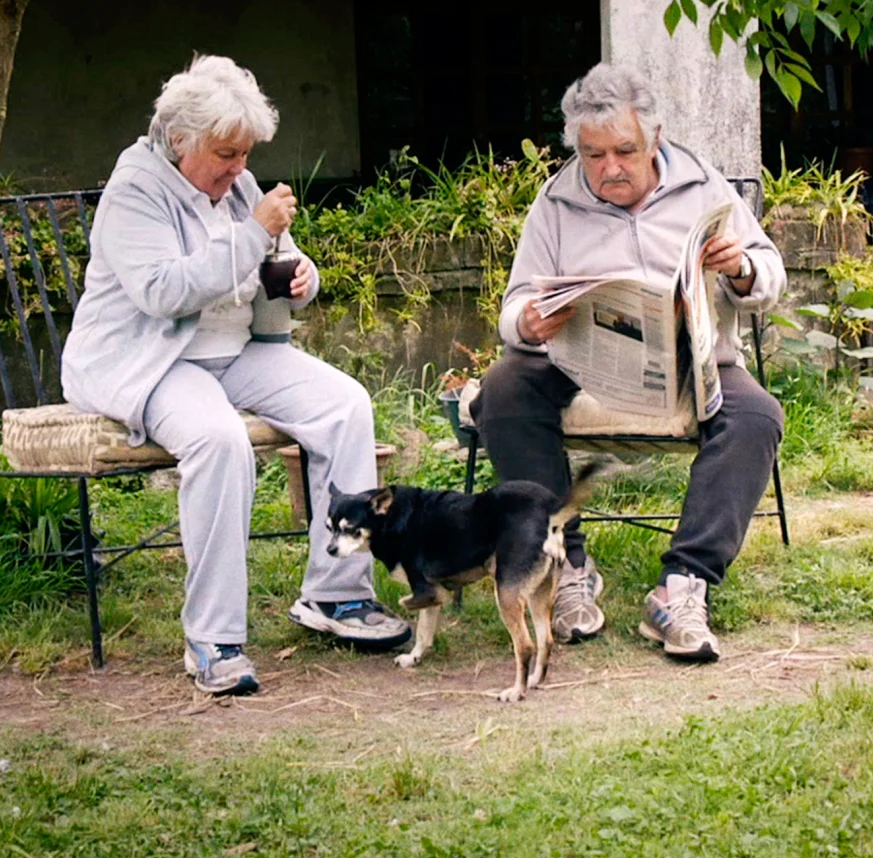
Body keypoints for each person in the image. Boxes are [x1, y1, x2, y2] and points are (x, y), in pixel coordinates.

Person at [60, 55, 411, 696]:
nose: (238, 168)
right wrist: (254, 236)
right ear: (178, 141)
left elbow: (269, 256)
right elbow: (164, 291)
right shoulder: (134, 191)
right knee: (219, 440)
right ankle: (214, 640)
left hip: (235, 352)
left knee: (346, 405)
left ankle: (335, 598)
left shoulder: (237, 186)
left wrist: (302, 275)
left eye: (246, 154)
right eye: (226, 153)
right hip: (154, 359)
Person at [473, 63, 786, 663]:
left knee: (757, 415)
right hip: (581, 362)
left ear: (655, 140)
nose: (610, 168)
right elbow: (514, 307)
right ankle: (563, 567)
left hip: (694, 362)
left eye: (624, 150)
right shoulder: (556, 202)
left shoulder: (704, 187)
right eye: (593, 155)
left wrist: (741, 267)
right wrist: (529, 323)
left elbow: (770, 277)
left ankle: (682, 586)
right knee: (504, 387)